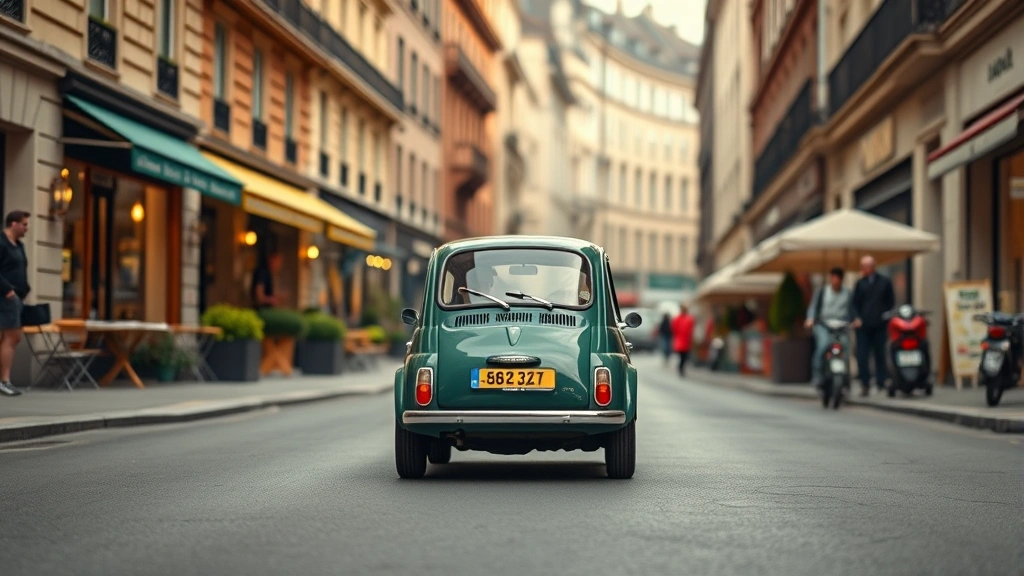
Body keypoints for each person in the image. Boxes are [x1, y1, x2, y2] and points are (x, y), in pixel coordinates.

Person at [804, 267, 857, 388]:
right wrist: (810, 319)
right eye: (833, 278)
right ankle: (817, 375)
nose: (835, 281)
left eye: (837, 279)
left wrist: (856, 320)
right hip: (823, 325)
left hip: (841, 325)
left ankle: (845, 377)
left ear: (841, 279)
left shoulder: (847, 293)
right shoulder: (822, 291)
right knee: (823, 345)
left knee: (846, 348)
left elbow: (852, 310)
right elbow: (813, 307)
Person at [852, 255, 895, 396]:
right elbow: (854, 304)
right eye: (862, 266)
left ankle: (881, 383)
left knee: (880, 354)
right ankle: (865, 384)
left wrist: (885, 316)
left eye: (866, 266)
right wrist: (856, 318)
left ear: (873, 266)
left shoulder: (884, 282)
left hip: (879, 325)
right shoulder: (860, 283)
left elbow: (890, 301)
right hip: (863, 327)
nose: (864, 269)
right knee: (862, 356)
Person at [0, 210, 31, 397]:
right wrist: (8, 291)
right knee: (12, 337)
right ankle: (5, 381)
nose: (26, 228)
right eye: (24, 224)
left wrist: (24, 290)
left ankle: (4, 380)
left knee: (11, 338)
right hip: (5, 296)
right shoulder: (2, 242)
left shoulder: (19, 245)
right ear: (13, 224)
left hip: (16, 298)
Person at [671, 304, 695, 376]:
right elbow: (674, 329)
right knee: (682, 357)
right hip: (681, 341)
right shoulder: (680, 318)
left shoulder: (688, 319)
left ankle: (681, 368)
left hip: (684, 341)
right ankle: (681, 368)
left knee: (684, 357)